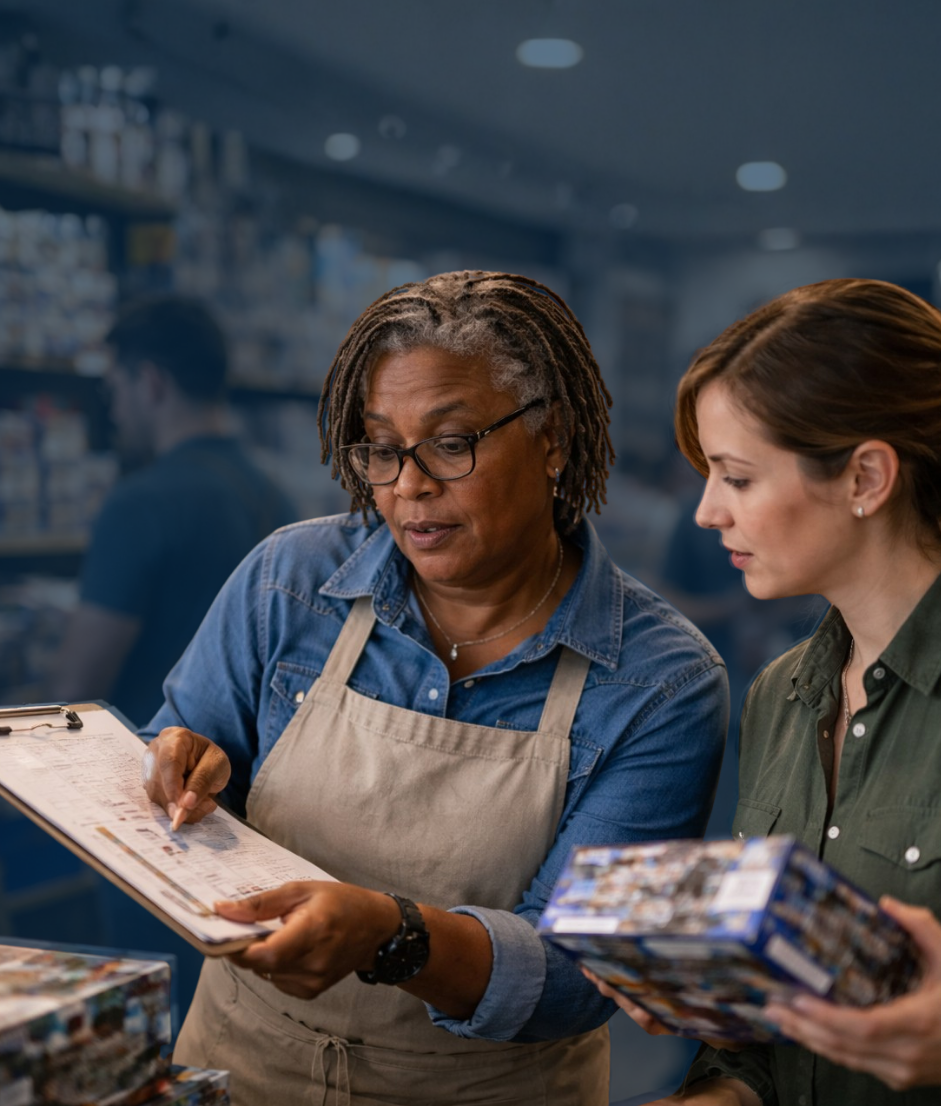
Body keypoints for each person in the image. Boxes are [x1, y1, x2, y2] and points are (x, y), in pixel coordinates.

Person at [140, 270, 729, 1104]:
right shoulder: (288, 584)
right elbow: (170, 767)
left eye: (452, 443)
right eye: (382, 448)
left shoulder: (659, 683)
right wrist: (173, 763)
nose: (409, 485)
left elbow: (578, 973)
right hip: (241, 1068)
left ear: (553, 437)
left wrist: (391, 936)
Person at [593, 278, 941, 1105]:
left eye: (737, 478)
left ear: (866, 476)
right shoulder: (779, 698)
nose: (705, 513)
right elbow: (767, 1043)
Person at [53, 296, 294, 728]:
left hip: (147, 770)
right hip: (242, 769)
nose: (114, 411)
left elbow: (77, 686)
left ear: (150, 383)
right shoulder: (276, 497)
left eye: (115, 390)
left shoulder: (140, 504)